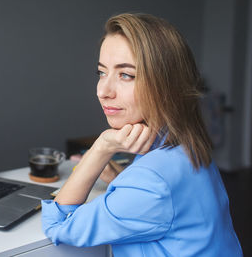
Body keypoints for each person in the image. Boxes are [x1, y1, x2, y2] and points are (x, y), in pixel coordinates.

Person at [41, 13, 242, 256]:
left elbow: (58, 226)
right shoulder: (188, 145)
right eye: (101, 72)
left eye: (126, 75)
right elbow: (166, 205)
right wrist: (122, 181)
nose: (103, 91)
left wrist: (102, 146)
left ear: (166, 84)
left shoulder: (150, 182)